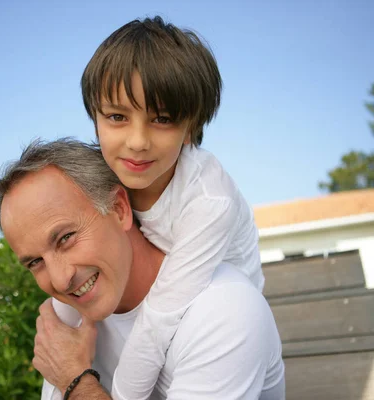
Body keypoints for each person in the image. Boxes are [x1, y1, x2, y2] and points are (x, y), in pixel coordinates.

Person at [52, 16, 265, 399]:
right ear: (95, 119)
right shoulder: (104, 177)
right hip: (147, 332)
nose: (137, 142)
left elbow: (162, 317)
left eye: (162, 119)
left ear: (190, 126)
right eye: (117, 117)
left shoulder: (209, 200)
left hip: (216, 336)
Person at [0, 138, 285, 399]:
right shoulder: (66, 322)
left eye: (66, 238)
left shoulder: (223, 308)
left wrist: (75, 381)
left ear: (119, 209)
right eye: (35, 262)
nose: (61, 280)